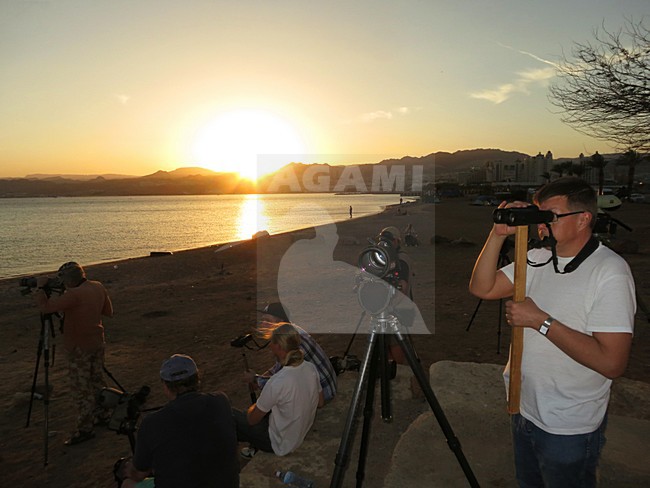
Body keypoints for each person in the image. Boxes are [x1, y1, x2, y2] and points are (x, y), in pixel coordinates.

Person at [469, 177, 636, 487]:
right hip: (524, 407)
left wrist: (541, 321)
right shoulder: (538, 258)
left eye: (552, 215)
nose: (542, 225)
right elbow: (483, 286)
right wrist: (497, 236)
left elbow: (612, 363)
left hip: (569, 425)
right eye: (539, 215)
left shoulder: (609, 272)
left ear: (584, 219)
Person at [121, 354, 239, 488]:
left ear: (165, 386)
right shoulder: (221, 400)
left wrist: (128, 469)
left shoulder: (152, 423)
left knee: (127, 484)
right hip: (227, 483)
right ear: (197, 379)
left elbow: (139, 474)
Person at [34, 261, 113, 445]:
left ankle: (85, 428)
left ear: (68, 280)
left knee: (81, 388)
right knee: (97, 380)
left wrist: (39, 288)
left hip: (79, 347)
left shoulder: (74, 294)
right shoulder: (97, 286)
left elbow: (45, 308)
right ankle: (103, 414)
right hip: (97, 341)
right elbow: (108, 311)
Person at [234, 323, 323, 458]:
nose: (270, 346)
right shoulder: (310, 368)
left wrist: (254, 408)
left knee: (230, 414)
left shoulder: (278, 381)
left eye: (271, 342)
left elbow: (252, 420)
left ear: (279, 347)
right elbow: (320, 402)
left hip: (279, 443)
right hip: (298, 434)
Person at [246, 301, 337, 403]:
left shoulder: (290, 343)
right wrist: (261, 377)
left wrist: (256, 380)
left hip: (324, 394)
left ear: (280, 321)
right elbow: (279, 368)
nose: (263, 324)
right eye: (262, 320)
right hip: (324, 386)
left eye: (267, 320)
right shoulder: (291, 333)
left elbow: (283, 382)